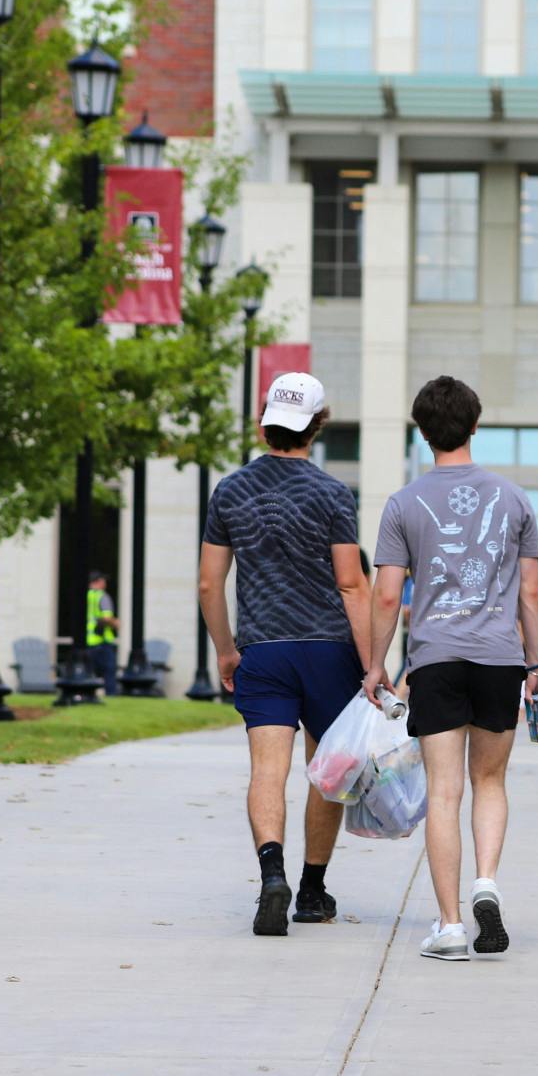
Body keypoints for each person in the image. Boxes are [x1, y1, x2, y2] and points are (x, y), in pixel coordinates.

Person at [363, 375, 538, 963]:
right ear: (475, 425)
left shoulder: (403, 504)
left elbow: (385, 597)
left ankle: (449, 927)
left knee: (444, 792)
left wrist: (376, 666)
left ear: (423, 434)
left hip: (436, 659)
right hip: (499, 659)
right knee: (490, 782)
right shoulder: (514, 499)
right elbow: (530, 594)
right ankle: (487, 884)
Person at [199, 372, 373, 936]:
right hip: (328, 652)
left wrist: (226, 651)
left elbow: (208, 585)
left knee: (266, 772)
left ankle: (270, 875)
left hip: (264, 652)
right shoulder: (331, 494)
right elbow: (352, 584)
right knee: (327, 774)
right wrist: (373, 663)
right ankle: (311, 891)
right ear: (317, 425)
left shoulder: (229, 490)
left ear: (263, 423)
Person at [85, 571, 121, 695]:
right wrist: (116, 623)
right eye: (103, 580)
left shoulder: (85, 596)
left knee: (89, 672)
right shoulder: (102, 596)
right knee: (109, 671)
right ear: (98, 582)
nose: (105, 583)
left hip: (88, 640)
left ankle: (88, 694)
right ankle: (111, 696)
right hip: (102, 640)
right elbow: (106, 618)